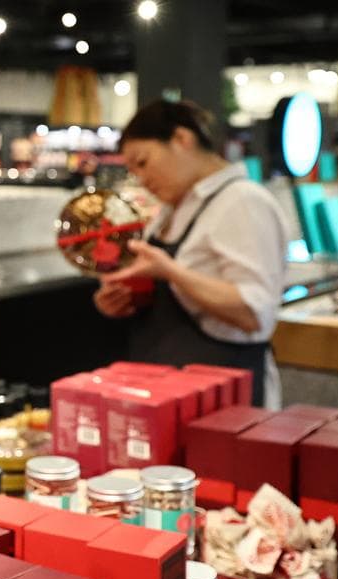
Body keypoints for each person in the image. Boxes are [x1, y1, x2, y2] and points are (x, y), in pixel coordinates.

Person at [93, 99, 290, 408]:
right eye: (133, 171)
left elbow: (255, 314)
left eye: (143, 163)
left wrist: (171, 271)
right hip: (166, 390)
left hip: (222, 399)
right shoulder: (174, 209)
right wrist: (127, 297)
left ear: (182, 139)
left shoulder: (242, 202)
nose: (142, 180)